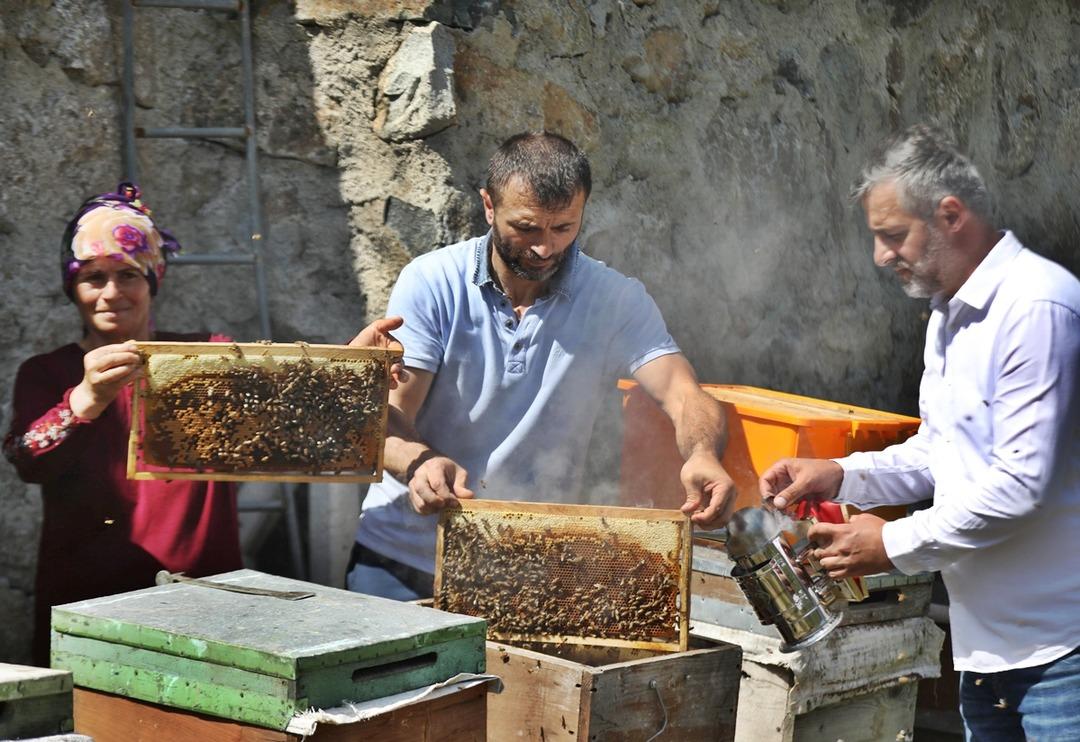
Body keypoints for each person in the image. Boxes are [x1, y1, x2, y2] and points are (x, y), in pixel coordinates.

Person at [759, 125, 1080, 740]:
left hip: (1061, 656)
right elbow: (941, 450)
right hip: (988, 651)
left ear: (950, 215)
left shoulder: (1038, 306)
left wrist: (894, 543)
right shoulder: (947, 314)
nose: (881, 256)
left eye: (892, 235)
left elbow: (1019, 487)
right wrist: (843, 473)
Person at [4, 183, 403, 666]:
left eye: (128, 274)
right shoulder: (46, 374)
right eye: (93, 277)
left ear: (153, 280)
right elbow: (27, 459)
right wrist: (86, 399)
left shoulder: (207, 354)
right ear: (73, 288)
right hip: (86, 606)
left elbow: (288, 418)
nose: (111, 292)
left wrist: (351, 368)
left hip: (201, 599)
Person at [347, 131, 737, 601]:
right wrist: (419, 463)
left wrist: (702, 454)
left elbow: (684, 393)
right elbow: (387, 414)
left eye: (563, 228)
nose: (544, 248)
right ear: (489, 206)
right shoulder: (432, 282)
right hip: (400, 559)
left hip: (528, 570)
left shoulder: (615, 297)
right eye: (526, 227)